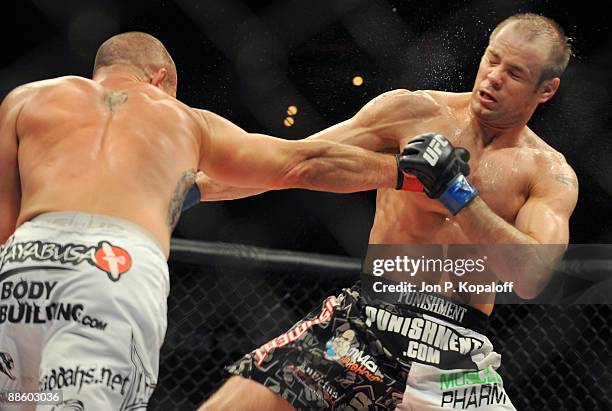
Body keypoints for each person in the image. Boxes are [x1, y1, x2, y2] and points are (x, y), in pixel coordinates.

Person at [0, 32, 402, 410]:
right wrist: (404, 172)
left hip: (25, 261)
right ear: (160, 79)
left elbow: (4, 223)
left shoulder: (25, 99)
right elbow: (303, 163)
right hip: (115, 267)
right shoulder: (182, 119)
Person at [198, 13, 578, 411]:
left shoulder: (547, 173)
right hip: (368, 321)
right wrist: (198, 189)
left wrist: (456, 194)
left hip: (456, 352)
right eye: (492, 58)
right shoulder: (413, 112)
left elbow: (531, 276)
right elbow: (297, 162)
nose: (494, 76)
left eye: (515, 73)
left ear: (546, 90)